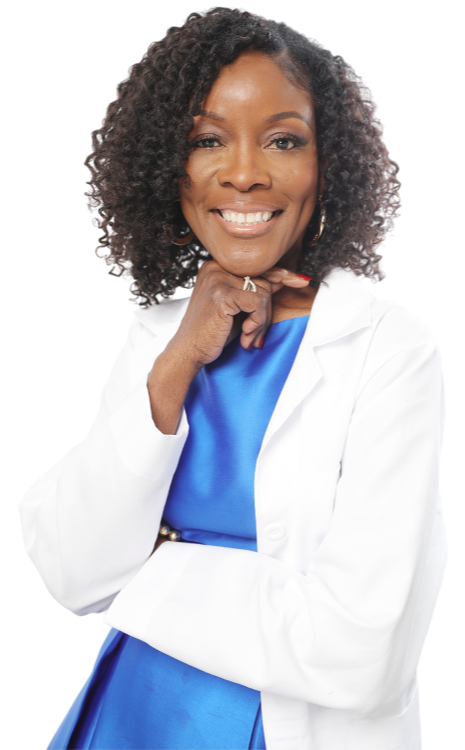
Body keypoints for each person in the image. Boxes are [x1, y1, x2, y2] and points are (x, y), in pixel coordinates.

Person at [17, 7, 448, 750]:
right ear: (168, 166)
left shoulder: (387, 350)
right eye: (206, 140)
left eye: (283, 140)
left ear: (328, 165)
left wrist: (151, 569)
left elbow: (361, 650)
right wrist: (178, 362)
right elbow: (71, 566)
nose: (243, 172)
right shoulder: (160, 334)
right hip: (130, 716)